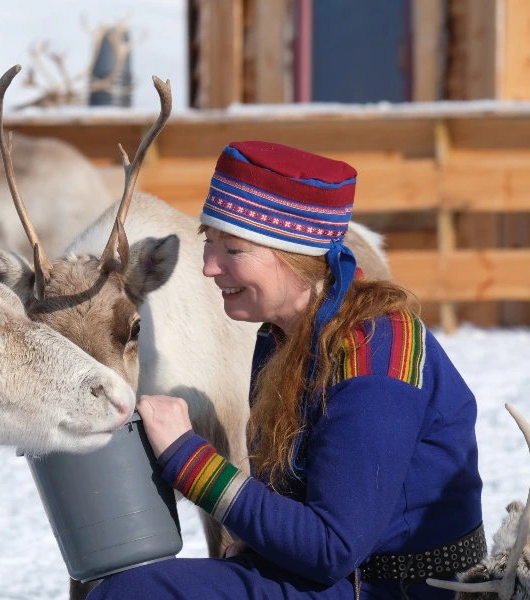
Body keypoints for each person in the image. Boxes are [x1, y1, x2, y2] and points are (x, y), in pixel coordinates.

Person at [87, 141, 484, 600]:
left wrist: (187, 456)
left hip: (398, 589)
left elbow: (331, 547)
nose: (208, 266)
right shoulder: (282, 339)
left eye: (233, 249)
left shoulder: (373, 357)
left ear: (297, 256)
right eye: (208, 242)